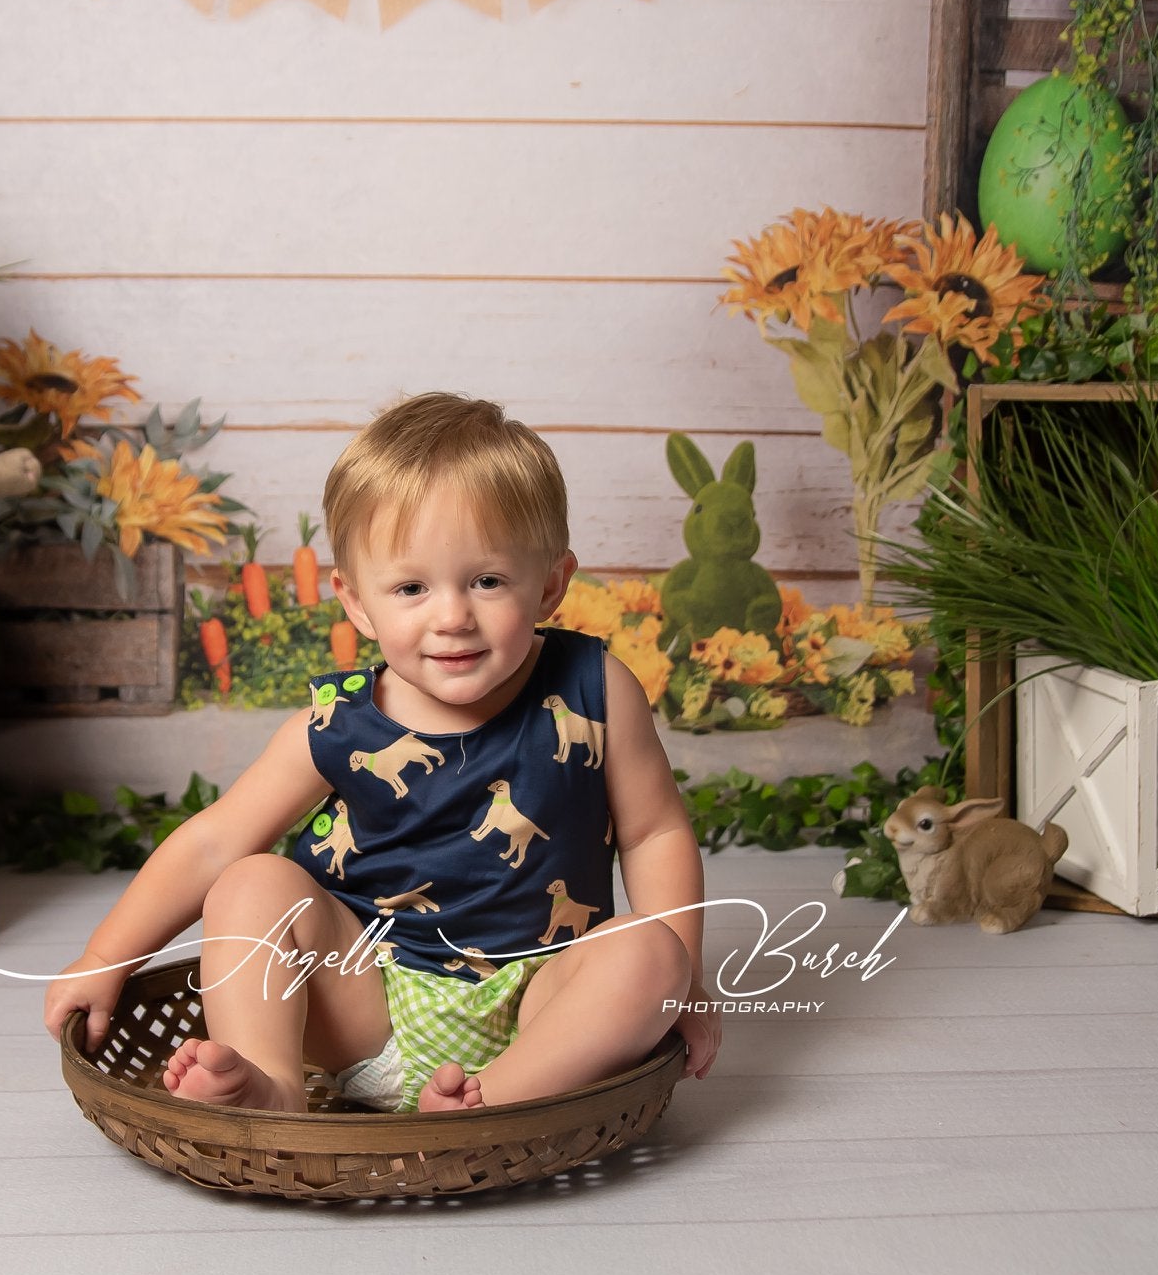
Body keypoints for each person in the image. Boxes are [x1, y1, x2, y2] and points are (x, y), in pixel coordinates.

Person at [42, 392, 721, 1113]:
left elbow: (654, 835)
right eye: (411, 587)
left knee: (652, 953)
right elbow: (212, 844)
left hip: (546, 1006)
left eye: (487, 581)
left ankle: (487, 1102)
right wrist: (105, 956)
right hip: (368, 1004)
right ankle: (271, 1087)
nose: (452, 615)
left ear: (550, 583)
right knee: (249, 883)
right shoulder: (337, 723)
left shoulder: (596, 688)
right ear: (358, 602)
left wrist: (687, 981)